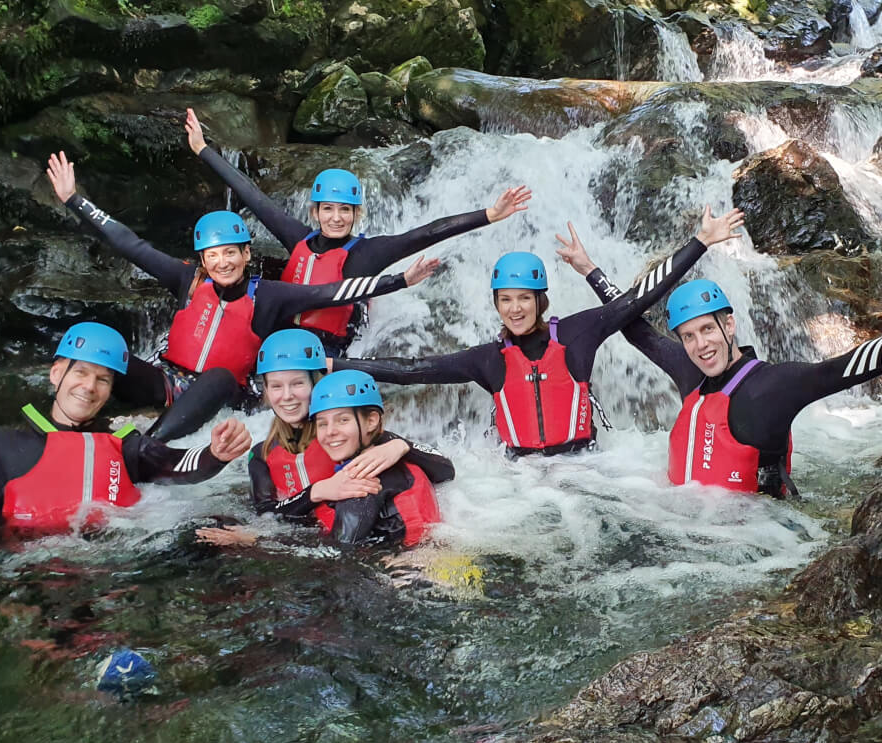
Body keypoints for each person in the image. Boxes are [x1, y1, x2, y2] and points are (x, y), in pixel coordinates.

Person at [554, 222, 882, 496]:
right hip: (686, 534)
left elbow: (848, 369)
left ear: (729, 326)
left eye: (707, 330)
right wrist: (590, 269)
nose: (700, 345)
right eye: (688, 337)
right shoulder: (690, 371)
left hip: (759, 546)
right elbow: (636, 329)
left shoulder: (771, 388)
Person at [45, 152, 437, 441]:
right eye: (214, 255)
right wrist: (73, 199)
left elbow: (331, 293)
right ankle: (67, 424)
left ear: (246, 254)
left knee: (214, 378)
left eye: (231, 252)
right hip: (169, 382)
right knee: (99, 349)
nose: (223, 262)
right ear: (203, 259)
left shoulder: (268, 295)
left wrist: (399, 280)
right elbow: (130, 244)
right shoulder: (187, 281)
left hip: (226, 393)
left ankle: (149, 447)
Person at [332, 207, 746, 456]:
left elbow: (638, 298)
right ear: (496, 304)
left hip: (589, 471)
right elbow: (413, 369)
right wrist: (334, 363)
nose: (515, 308)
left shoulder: (576, 334)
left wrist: (700, 242)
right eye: (506, 299)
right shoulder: (487, 359)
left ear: (540, 301)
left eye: (525, 298)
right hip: (521, 481)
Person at [0, 322, 252, 532]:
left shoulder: (123, 446)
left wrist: (216, 454)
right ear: (57, 373)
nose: (89, 387)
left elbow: (178, 467)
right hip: (29, 576)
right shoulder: (2, 447)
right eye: (82, 373)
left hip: (114, 567)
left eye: (103, 380)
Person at [185, 108, 531, 355]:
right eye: (329, 210)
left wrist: (489, 214)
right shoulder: (298, 238)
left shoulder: (368, 253)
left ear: (356, 214)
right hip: (281, 337)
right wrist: (203, 150)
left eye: (345, 211)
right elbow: (252, 195)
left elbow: (425, 233)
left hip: (329, 349)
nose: (336, 218)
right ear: (315, 212)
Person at [197, 333, 453, 549]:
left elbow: (445, 470)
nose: (287, 397)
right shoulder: (261, 454)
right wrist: (316, 492)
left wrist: (401, 445)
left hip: (354, 532)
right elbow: (266, 512)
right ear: (265, 392)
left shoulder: (345, 434)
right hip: (316, 527)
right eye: (276, 387)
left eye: (297, 383)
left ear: (317, 383)